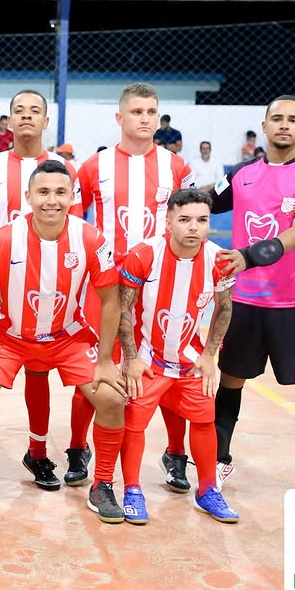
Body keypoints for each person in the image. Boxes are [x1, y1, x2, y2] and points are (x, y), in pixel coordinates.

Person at [0, 159, 126, 521]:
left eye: (61, 192)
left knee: (113, 399)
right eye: (44, 192)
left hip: (67, 337)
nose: (52, 200)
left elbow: (111, 299)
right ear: (28, 196)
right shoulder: (5, 238)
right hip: (10, 335)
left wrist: (105, 361)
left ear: (72, 197)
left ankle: (102, 485)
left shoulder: (91, 238)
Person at [72, 82, 194, 490]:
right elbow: (75, 224)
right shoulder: (94, 166)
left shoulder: (177, 167)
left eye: (151, 112)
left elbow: (188, 221)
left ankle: (176, 454)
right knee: (95, 368)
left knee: (167, 369)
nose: (145, 118)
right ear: (119, 117)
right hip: (106, 286)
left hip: (159, 287)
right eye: (137, 111)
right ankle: (77, 448)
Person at [210, 94, 295, 490]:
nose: (284, 124)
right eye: (276, 118)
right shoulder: (240, 173)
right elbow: (203, 200)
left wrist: (247, 257)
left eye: (292, 119)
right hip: (244, 303)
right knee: (230, 379)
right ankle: (218, 461)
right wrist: (169, 188)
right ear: (264, 126)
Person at [0, 89, 78, 490]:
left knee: (39, 372)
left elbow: (72, 230)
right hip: (0, 288)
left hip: (47, 291)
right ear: (9, 120)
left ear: (46, 121)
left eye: (35, 111)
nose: (27, 116)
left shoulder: (64, 169)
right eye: (19, 111)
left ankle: (38, 452)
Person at [117, 188, 239, 524]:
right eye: (184, 219)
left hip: (189, 359)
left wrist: (209, 355)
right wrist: (131, 358)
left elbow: (225, 308)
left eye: (201, 220)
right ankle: (132, 490)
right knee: (135, 423)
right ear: (169, 221)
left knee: (204, 420)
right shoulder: (144, 255)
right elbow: (123, 309)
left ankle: (208, 490)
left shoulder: (219, 260)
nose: (193, 227)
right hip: (148, 358)